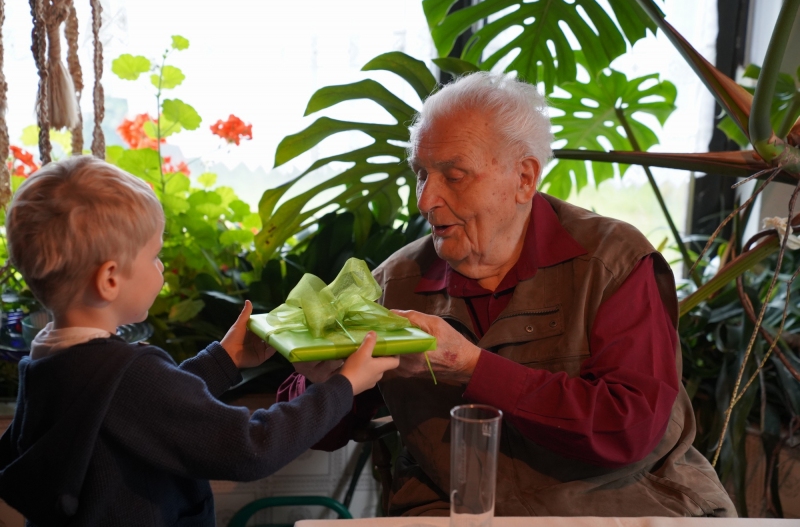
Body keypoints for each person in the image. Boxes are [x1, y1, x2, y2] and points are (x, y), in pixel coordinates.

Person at [279, 72, 736, 517]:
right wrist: (320, 381)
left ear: (524, 179)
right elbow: (314, 431)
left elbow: (629, 427)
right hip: (454, 510)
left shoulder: (613, 262)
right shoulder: (394, 283)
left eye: (454, 175)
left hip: (623, 503)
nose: (425, 200)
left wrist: (473, 367)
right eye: (421, 173)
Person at [0, 156, 399, 525]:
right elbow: (251, 447)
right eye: (154, 256)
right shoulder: (129, 377)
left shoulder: (47, 363)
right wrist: (343, 386)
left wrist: (225, 358)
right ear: (109, 279)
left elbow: (142, 409)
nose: (161, 268)